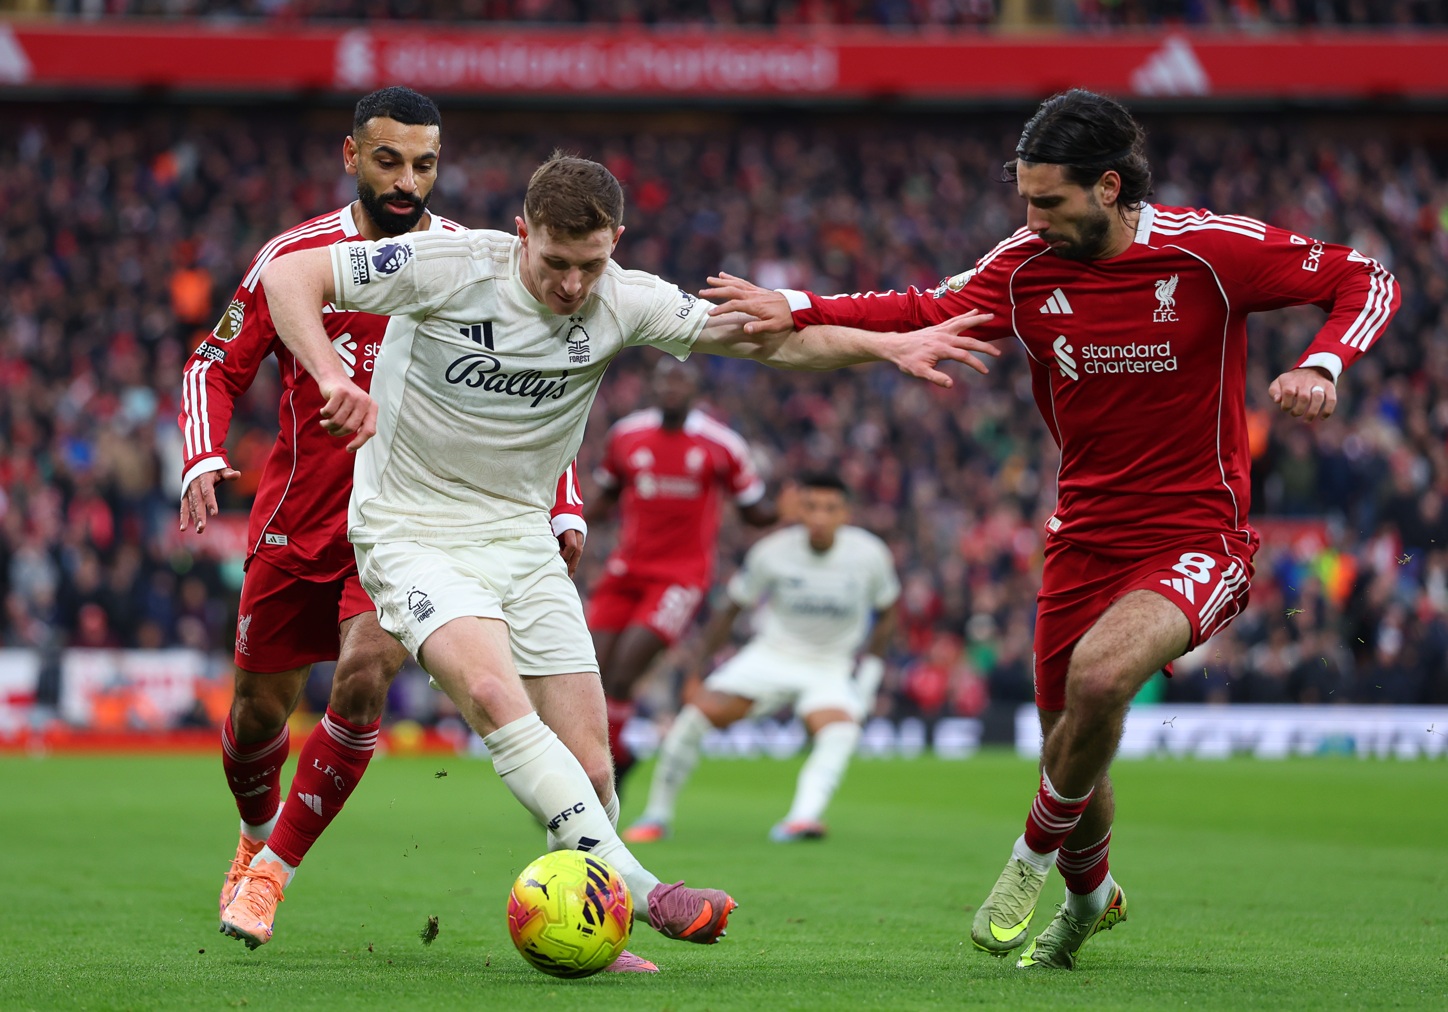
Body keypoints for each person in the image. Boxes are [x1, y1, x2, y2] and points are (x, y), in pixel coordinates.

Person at [702, 89, 1399, 969]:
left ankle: (1028, 858)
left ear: (1109, 186)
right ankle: (1089, 899)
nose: (1031, 219)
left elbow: (1366, 277)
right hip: (1081, 540)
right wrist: (799, 305)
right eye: (1025, 199)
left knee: (1101, 679)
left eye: (1049, 201)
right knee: (1071, 744)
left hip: (1197, 535)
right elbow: (921, 308)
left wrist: (1323, 363)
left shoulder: (1209, 252)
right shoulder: (1026, 265)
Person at [254, 152, 994, 959]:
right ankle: (644, 891)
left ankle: (591, 929)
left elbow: (772, 344)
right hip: (412, 528)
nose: (573, 285)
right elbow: (291, 277)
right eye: (555, 262)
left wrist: (886, 348)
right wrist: (331, 376)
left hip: (521, 537)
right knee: (494, 693)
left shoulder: (626, 298)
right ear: (522, 233)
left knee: (593, 769)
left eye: (591, 264)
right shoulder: (449, 266)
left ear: (617, 241)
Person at [177, 88, 590, 954]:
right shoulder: (296, 258)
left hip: (411, 525)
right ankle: (253, 836)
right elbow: (214, 363)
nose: (407, 181)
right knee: (257, 719)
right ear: (352, 156)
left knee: (365, 677)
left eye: (424, 165)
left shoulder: (472, 263)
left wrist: (561, 498)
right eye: (389, 161)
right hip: (300, 522)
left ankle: (272, 876)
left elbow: (534, 394)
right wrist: (203, 455)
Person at [623, 472, 899, 844]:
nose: (819, 517)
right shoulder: (772, 552)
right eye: (811, 507)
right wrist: (696, 672)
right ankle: (656, 816)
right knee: (692, 719)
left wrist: (866, 682)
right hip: (771, 656)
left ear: (845, 514)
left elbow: (888, 614)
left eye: (830, 508)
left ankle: (802, 819)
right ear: (799, 510)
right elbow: (730, 611)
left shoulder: (870, 555)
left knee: (840, 732)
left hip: (830, 665)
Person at [586, 356, 777, 790]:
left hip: (680, 577)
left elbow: (753, 511)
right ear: (653, 387)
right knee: (592, 671)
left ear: (695, 390)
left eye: (680, 382)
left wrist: (782, 511)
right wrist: (566, 521)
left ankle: (604, 769)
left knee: (623, 671)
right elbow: (605, 497)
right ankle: (620, 757)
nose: (671, 388)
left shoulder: (722, 445)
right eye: (664, 381)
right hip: (625, 570)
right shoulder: (626, 435)